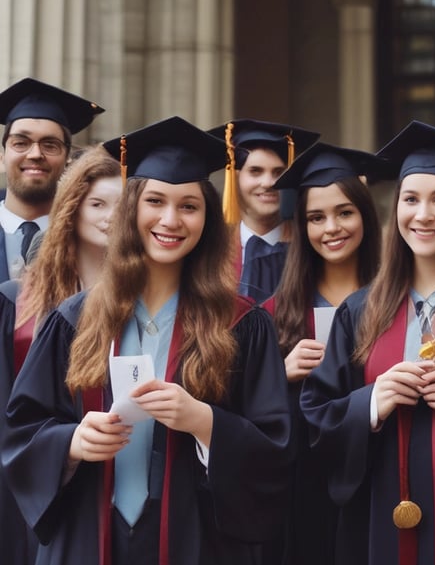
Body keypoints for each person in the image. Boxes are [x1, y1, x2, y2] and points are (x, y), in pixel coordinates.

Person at [2, 116, 293, 565]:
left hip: (197, 541)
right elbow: (22, 429)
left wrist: (204, 421)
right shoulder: (73, 320)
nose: (170, 220)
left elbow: (275, 451)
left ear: (208, 218)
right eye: (155, 201)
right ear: (132, 208)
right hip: (86, 535)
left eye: (189, 206)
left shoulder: (241, 325)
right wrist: (71, 444)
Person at [300, 121, 435, 565]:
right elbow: (314, 420)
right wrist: (371, 402)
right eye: (410, 199)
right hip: (375, 524)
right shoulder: (360, 312)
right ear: (395, 209)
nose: (423, 215)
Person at [263, 142, 387, 565]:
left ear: (366, 216)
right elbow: (245, 417)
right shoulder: (273, 313)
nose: (331, 227)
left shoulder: (398, 302)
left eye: (344, 212)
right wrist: (279, 375)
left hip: (380, 473)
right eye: (316, 217)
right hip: (302, 484)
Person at [0, 147, 122, 565]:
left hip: (111, 478)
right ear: (72, 209)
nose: (111, 216)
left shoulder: (142, 304)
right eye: (98, 204)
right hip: (27, 478)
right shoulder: (18, 301)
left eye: (123, 206)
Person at [0, 77, 104, 280]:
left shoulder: (89, 242)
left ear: (68, 160)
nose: (35, 154)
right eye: (21, 143)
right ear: (2, 158)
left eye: (50, 145)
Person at [209, 119, 319, 302]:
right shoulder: (212, 254)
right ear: (234, 177)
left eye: (279, 172)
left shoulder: (311, 249)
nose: (268, 183)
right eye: (255, 171)